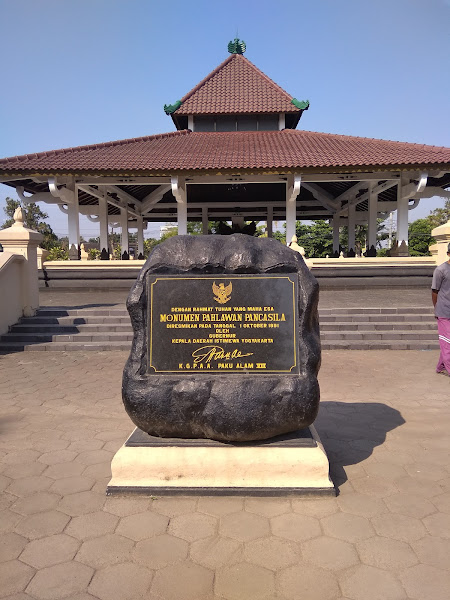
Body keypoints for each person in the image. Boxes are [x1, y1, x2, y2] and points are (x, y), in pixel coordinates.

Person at [431, 243, 450, 376]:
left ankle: (441, 366)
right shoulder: (441, 270)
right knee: (447, 342)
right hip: (444, 311)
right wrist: (437, 308)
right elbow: (435, 291)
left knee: (446, 340)